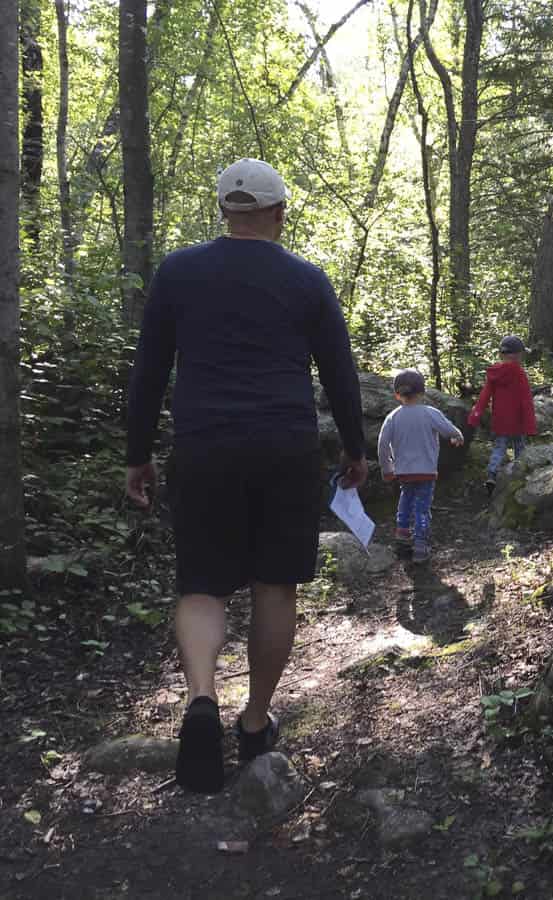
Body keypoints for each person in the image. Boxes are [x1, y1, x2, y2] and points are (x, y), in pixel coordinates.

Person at [124, 158, 368, 794]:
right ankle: (255, 722)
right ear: (279, 212)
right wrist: (355, 448)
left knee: (202, 586)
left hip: (204, 448)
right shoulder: (307, 281)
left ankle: (201, 700)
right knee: (274, 586)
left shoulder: (178, 272)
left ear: (224, 210)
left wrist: (137, 453)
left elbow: (148, 371)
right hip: (285, 449)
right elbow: (340, 374)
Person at [377, 369, 464, 563]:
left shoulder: (393, 417)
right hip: (426, 471)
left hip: (404, 472)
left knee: (406, 499)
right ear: (422, 392)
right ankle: (420, 545)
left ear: (397, 394)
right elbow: (449, 429)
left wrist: (387, 469)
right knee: (422, 507)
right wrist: (458, 436)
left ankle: (402, 536)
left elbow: (382, 444)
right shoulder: (430, 413)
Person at [466, 335, 537, 495]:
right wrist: (530, 425)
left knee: (499, 448)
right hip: (517, 421)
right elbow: (526, 401)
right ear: (518, 355)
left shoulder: (494, 374)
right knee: (520, 448)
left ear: (501, 355)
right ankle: (520, 474)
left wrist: (475, 415)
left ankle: (492, 474)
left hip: (500, 420)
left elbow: (484, 396)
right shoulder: (519, 373)